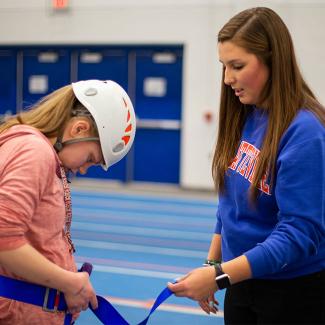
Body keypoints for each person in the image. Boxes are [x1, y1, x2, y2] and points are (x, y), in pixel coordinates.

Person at [168, 6, 325, 325]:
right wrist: (214, 262)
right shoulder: (246, 114)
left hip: (292, 293)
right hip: (242, 280)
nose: (227, 79)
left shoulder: (305, 132)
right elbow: (230, 200)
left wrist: (219, 276)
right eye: (224, 66)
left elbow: (299, 233)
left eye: (237, 66)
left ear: (272, 61)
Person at [0, 79, 136, 324]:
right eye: (91, 158)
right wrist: (70, 282)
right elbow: (3, 238)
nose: (84, 169)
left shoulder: (34, 149)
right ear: (79, 129)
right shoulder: (35, 152)